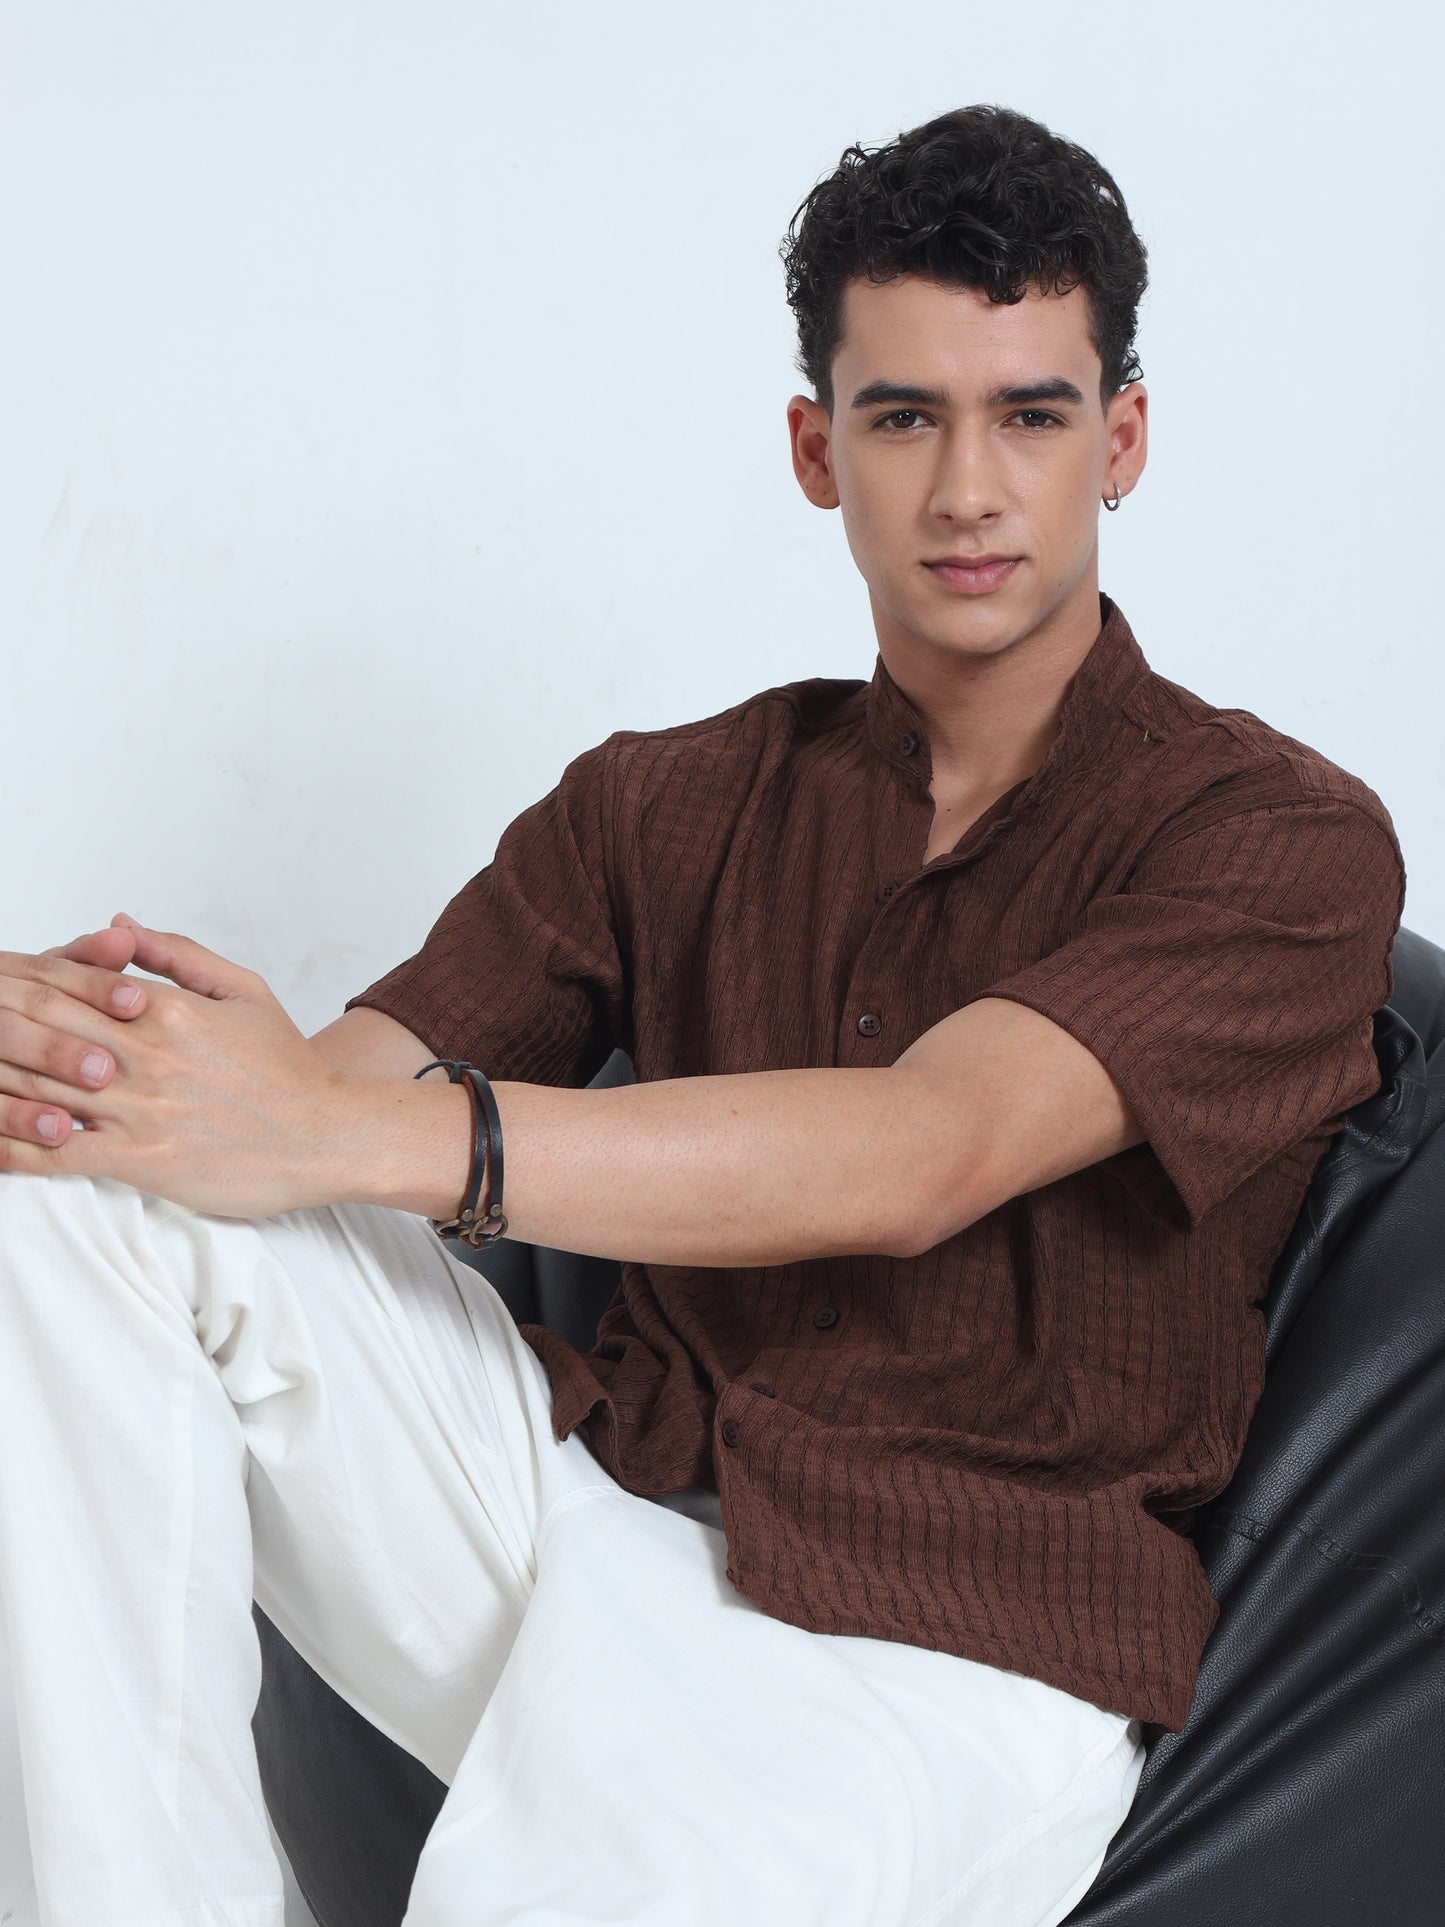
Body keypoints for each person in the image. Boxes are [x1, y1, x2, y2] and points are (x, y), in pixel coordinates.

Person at [0, 102, 1405, 1927]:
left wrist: (327, 1126)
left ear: (1118, 439)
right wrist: (129, 1070)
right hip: (603, 1520)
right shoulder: (663, 801)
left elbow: (926, 1149)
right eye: (902, 418)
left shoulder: (1275, 838)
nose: (966, 490)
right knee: (81, 1182)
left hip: (946, 1658)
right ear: (818, 451)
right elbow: (321, 1106)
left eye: (1029, 416)